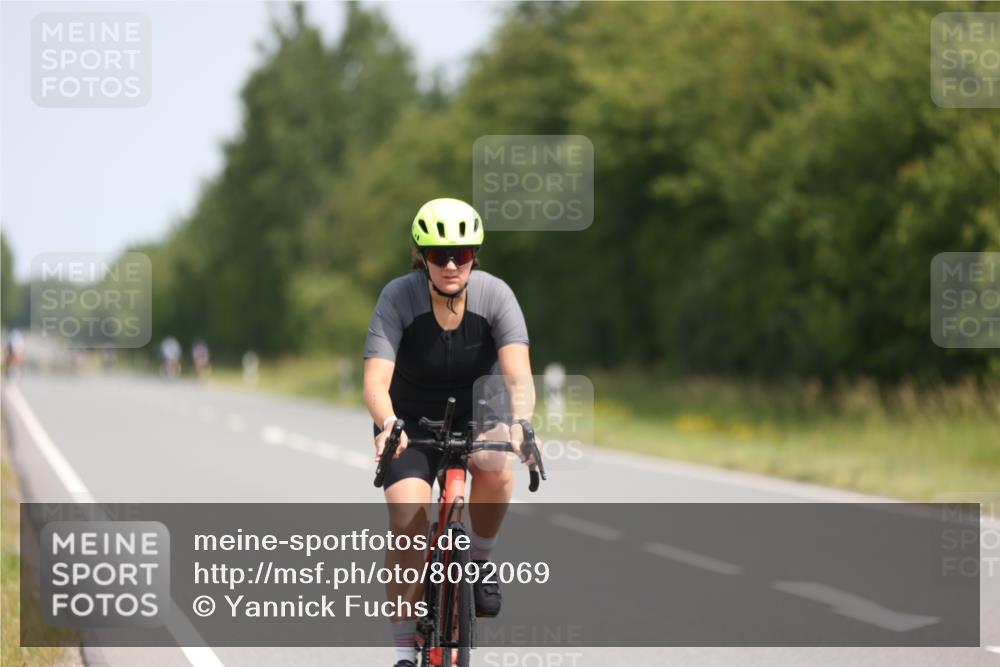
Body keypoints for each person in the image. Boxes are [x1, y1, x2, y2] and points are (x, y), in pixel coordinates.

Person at [363, 198, 536, 667]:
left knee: (497, 464)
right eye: (440, 255)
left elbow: (518, 375)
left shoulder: (496, 296)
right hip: (410, 421)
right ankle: (403, 652)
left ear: (475, 254)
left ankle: (478, 561)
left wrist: (522, 424)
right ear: (423, 258)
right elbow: (377, 381)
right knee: (407, 527)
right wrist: (387, 424)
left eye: (461, 252)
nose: (452, 264)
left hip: (478, 413)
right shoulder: (398, 298)